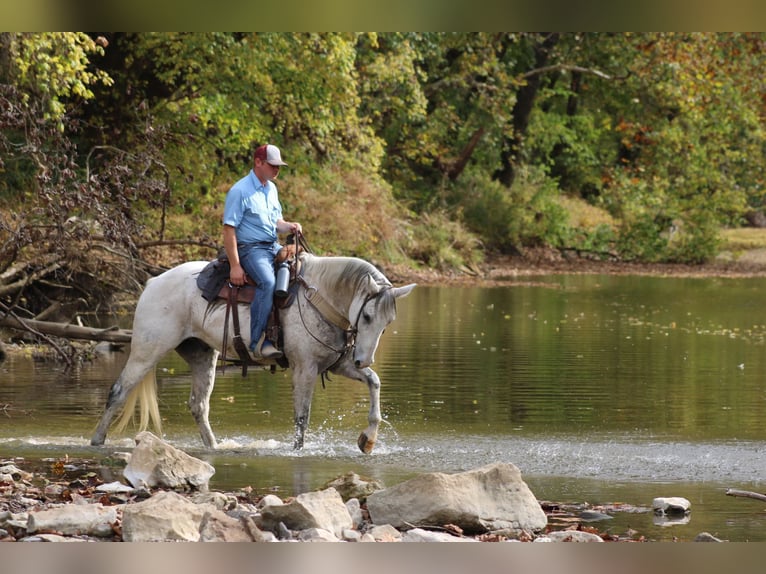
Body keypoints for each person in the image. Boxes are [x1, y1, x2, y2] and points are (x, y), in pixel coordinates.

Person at [222, 144, 302, 359]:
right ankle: (256, 341)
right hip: (250, 249)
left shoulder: (271, 188)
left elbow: (277, 223)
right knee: (267, 282)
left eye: (279, 167)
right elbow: (229, 229)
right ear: (258, 162)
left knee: (302, 271)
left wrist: (290, 226)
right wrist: (235, 265)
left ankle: (290, 334)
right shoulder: (240, 191)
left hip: (272, 245)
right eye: (272, 165)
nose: (277, 170)